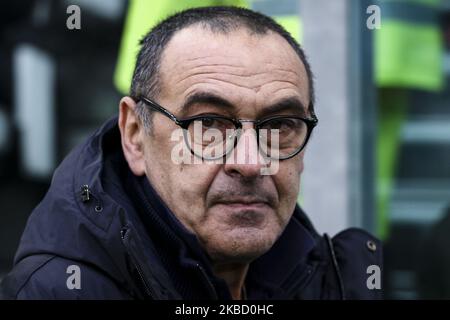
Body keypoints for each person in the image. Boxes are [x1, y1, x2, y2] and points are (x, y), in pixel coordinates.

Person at [0, 6, 382, 300]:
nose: (250, 162)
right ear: (134, 135)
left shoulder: (341, 279)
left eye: (279, 126)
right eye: (208, 126)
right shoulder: (59, 290)